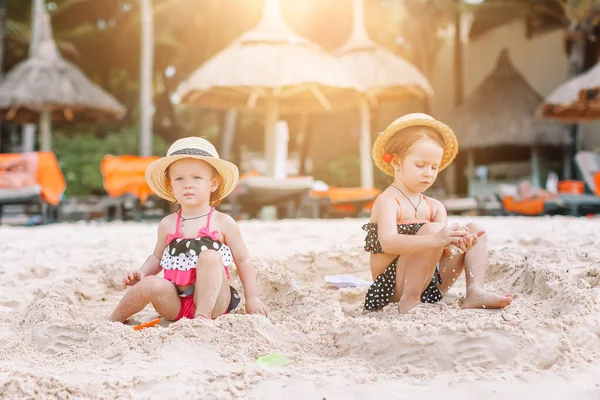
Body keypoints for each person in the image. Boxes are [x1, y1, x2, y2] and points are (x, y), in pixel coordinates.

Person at [363, 113, 513, 313]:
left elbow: (443, 252)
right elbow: (388, 242)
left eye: (435, 167)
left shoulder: (435, 206)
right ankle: (410, 300)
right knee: (433, 230)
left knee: (475, 229)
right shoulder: (389, 201)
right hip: (395, 286)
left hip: (431, 282)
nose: (428, 173)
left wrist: (459, 247)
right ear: (397, 163)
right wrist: (435, 238)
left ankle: (475, 290)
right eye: (420, 165)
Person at [108, 137, 268, 322]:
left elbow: (244, 261)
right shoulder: (168, 224)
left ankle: (201, 317)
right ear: (171, 185)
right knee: (150, 283)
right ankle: (112, 320)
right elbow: (157, 258)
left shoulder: (223, 222)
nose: (188, 184)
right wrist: (143, 272)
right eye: (179, 178)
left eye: (197, 177)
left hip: (214, 302)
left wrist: (252, 298)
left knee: (209, 257)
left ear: (213, 184)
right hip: (175, 303)